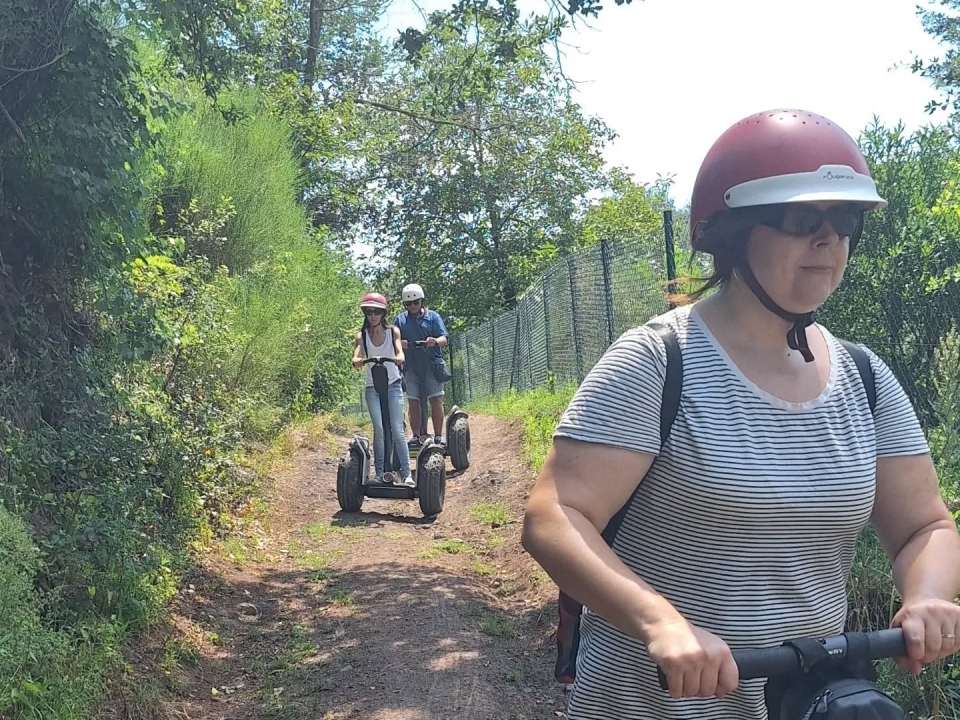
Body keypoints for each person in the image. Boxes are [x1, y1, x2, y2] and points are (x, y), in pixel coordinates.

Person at [520, 109, 960, 720]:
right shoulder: (657, 361)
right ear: (735, 234)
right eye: (803, 219)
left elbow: (924, 526)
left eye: (846, 221)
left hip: (803, 703)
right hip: (649, 704)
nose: (829, 240)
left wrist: (929, 597)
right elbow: (554, 515)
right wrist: (660, 622)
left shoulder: (865, 379)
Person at [352, 292, 414, 488]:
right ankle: (379, 473)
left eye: (376, 312)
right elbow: (356, 354)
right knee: (378, 429)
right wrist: (356, 360)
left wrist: (400, 356)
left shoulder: (392, 331)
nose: (373, 316)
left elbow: (399, 350)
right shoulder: (361, 335)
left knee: (397, 430)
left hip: (393, 384)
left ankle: (406, 474)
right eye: (369, 312)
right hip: (373, 387)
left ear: (383, 313)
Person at [394, 282, 449, 446]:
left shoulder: (433, 317)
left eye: (415, 302)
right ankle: (416, 436)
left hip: (432, 364)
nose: (412, 306)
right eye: (409, 304)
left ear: (421, 302)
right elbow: (392, 340)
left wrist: (435, 341)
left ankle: (438, 436)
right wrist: (399, 344)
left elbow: (444, 338)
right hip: (410, 366)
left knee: (436, 400)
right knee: (413, 402)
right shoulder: (400, 320)